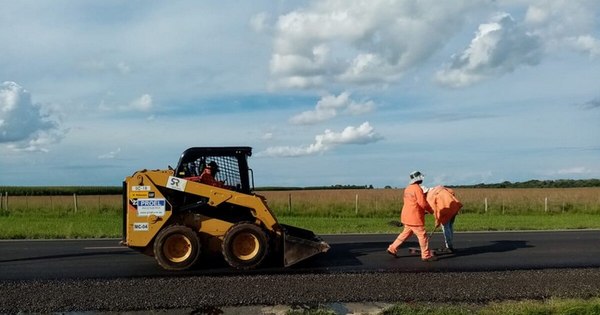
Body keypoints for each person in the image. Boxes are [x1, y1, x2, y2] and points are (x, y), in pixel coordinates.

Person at [387, 171, 436, 262]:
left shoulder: (408, 188)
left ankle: (392, 248)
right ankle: (425, 255)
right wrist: (431, 210)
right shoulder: (418, 189)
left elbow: (412, 203)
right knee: (422, 236)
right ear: (419, 179)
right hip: (415, 218)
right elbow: (422, 203)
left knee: (405, 234)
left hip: (406, 216)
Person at [424, 185, 463, 253]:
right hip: (454, 207)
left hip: (446, 210)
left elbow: (435, 210)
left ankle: (449, 247)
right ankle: (450, 245)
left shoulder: (430, 196)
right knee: (450, 226)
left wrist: (437, 221)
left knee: (445, 228)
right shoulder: (439, 187)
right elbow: (452, 192)